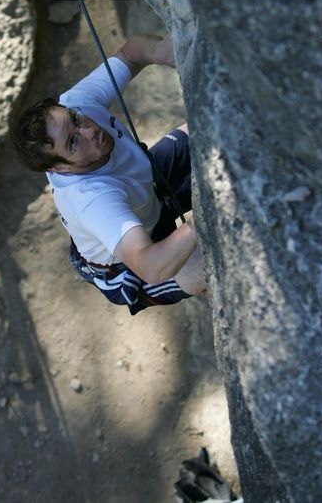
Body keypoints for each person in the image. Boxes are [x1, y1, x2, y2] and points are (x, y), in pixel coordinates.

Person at [12, 33, 206, 315]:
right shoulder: (93, 201)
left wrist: (161, 51)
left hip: (146, 188)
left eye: (76, 121)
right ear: (60, 168)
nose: (89, 131)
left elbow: (130, 53)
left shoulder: (76, 103)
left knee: (207, 127)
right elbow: (150, 265)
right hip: (131, 261)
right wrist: (203, 219)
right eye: (73, 142)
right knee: (209, 257)